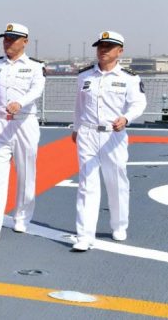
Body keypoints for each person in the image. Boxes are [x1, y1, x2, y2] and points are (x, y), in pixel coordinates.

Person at [71, 31, 146, 252]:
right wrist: (76, 128)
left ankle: (119, 225)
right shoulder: (85, 76)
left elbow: (138, 104)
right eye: (100, 46)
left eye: (108, 46)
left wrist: (126, 118)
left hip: (113, 135)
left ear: (119, 51)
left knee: (116, 181)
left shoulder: (129, 78)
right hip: (88, 134)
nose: (103, 50)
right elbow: (79, 106)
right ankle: (85, 235)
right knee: (87, 184)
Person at [0, 23, 45, 241]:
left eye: (13, 39)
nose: (8, 42)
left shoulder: (35, 66)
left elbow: (37, 89)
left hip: (24, 123)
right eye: (5, 38)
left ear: (25, 41)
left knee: (25, 174)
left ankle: (22, 218)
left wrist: (20, 102)